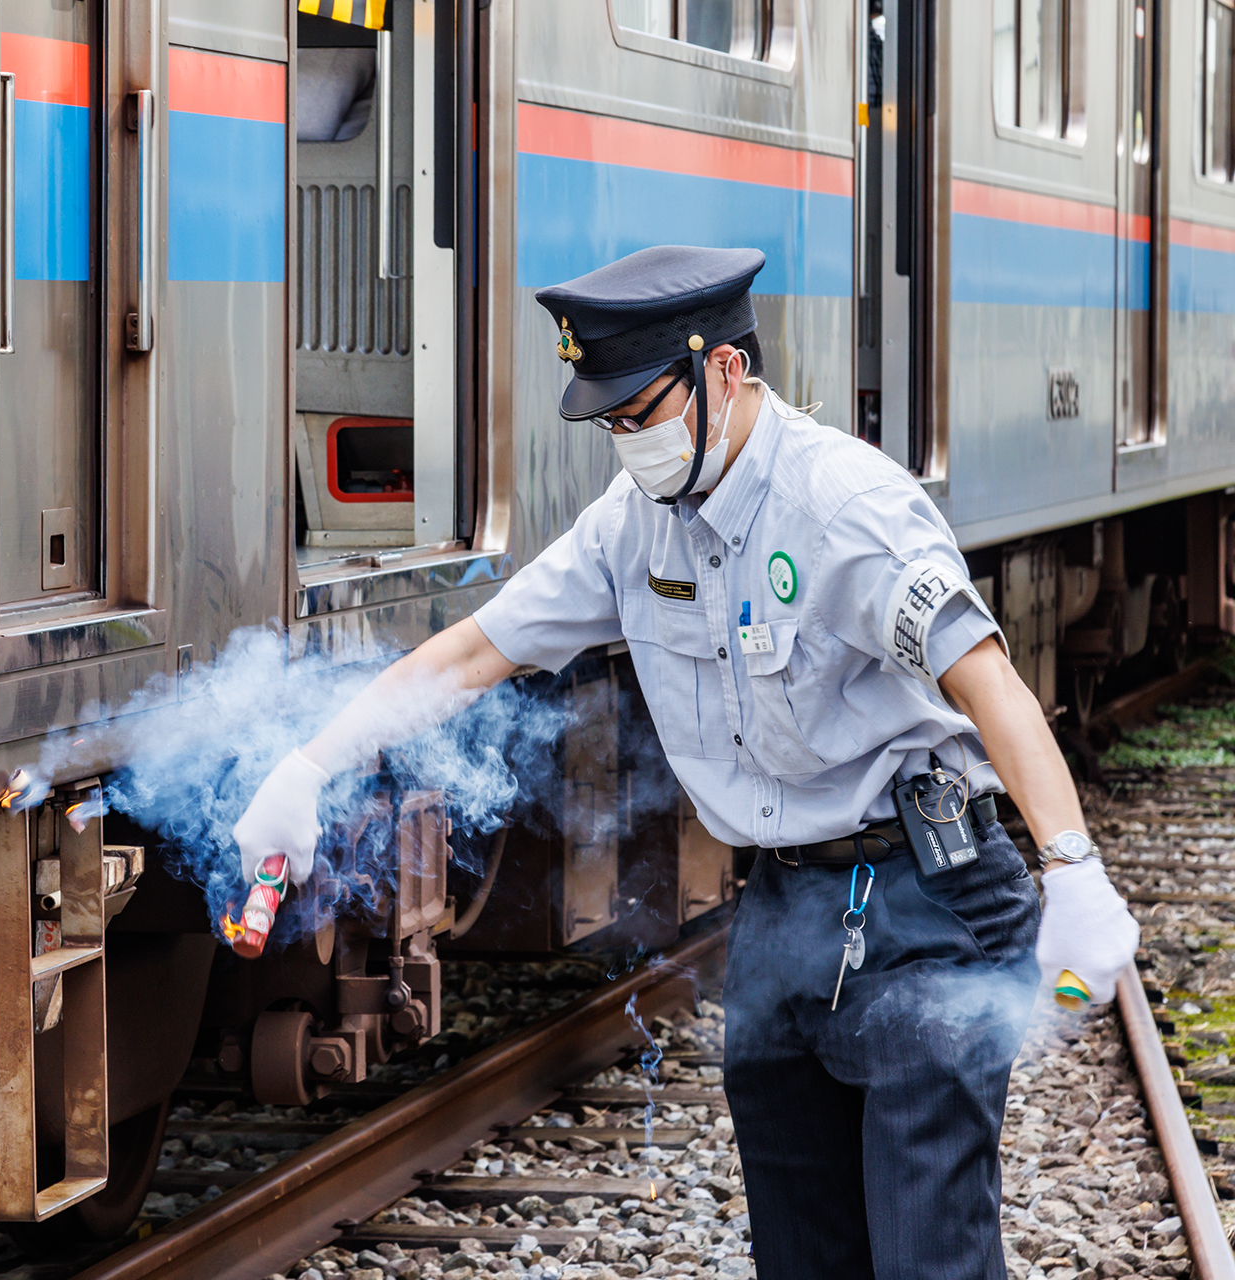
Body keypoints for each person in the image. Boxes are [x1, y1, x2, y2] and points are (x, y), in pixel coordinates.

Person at [231, 245, 1140, 1278]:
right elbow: (478, 650)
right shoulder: (634, 530)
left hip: (924, 902)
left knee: (926, 1254)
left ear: (721, 375)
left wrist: (1071, 865)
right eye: (612, 424)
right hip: (787, 908)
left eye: (639, 414)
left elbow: (990, 683)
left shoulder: (845, 508)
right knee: (800, 1254)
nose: (629, 443)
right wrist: (312, 762)